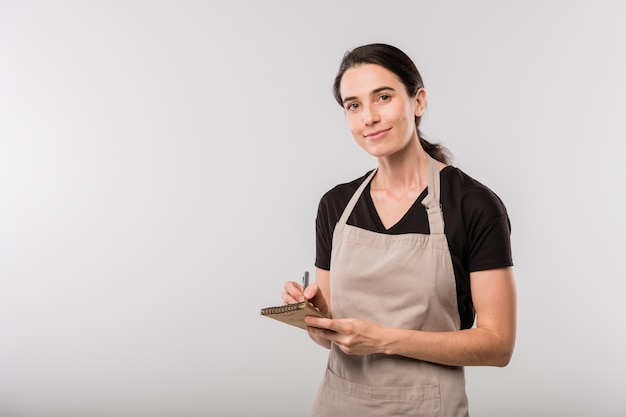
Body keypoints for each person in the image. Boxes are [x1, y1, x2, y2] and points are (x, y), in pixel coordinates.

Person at [281, 43, 516, 417]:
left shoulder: (472, 205)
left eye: (384, 97)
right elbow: (332, 339)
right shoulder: (335, 205)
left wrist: (384, 340)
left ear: (417, 101)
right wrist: (317, 316)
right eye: (353, 105)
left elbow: (498, 345)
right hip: (338, 405)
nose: (369, 117)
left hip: (428, 408)